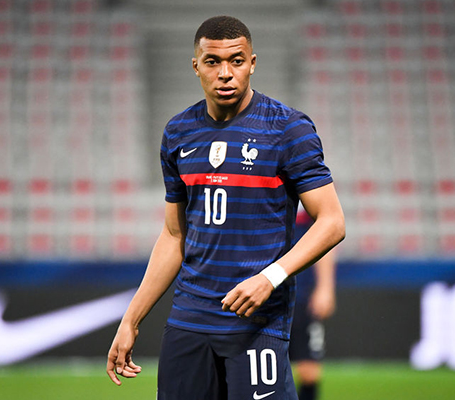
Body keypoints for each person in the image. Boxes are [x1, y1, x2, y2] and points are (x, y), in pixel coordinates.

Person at [106, 15, 345, 400]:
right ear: (196, 66)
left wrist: (270, 278)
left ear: (252, 63)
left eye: (236, 61)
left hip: (257, 322)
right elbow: (174, 235)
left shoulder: (288, 129)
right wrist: (131, 319)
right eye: (213, 62)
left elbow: (332, 222)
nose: (225, 73)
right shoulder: (178, 133)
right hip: (189, 321)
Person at [289, 209, 337, 400]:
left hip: (302, 294)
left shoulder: (309, 199)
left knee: (309, 370)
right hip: (267, 293)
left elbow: (326, 240)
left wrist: (325, 288)